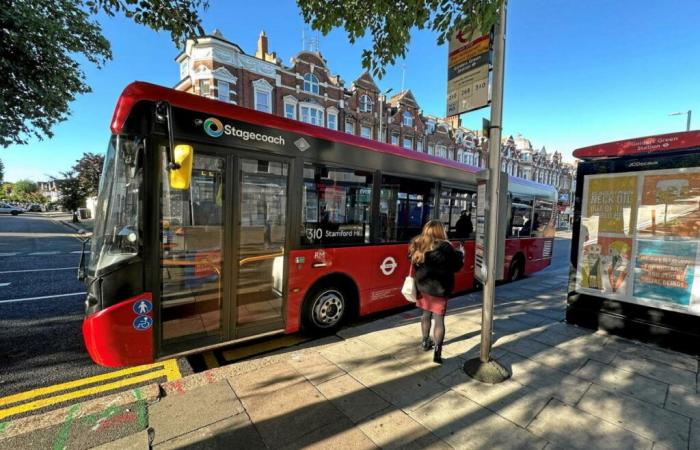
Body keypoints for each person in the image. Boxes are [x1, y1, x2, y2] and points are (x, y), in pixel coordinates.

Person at [408, 220, 464, 364]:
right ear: (440, 231)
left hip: (423, 287)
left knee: (425, 314)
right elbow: (457, 267)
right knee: (439, 320)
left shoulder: (417, 243)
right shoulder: (446, 247)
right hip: (440, 289)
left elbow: (412, 261)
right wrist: (460, 254)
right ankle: (437, 352)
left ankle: (425, 342)